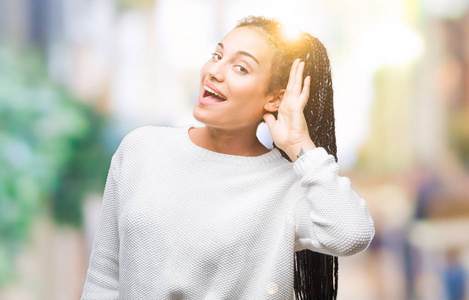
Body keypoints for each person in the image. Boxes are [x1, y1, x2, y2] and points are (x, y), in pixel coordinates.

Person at [81, 16, 375, 300]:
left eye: (241, 68)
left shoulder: (287, 188)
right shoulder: (141, 150)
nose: (214, 71)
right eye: (217, 55)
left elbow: (352, 233)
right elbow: (105, 276)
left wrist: (300, 145)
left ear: (275, 99)